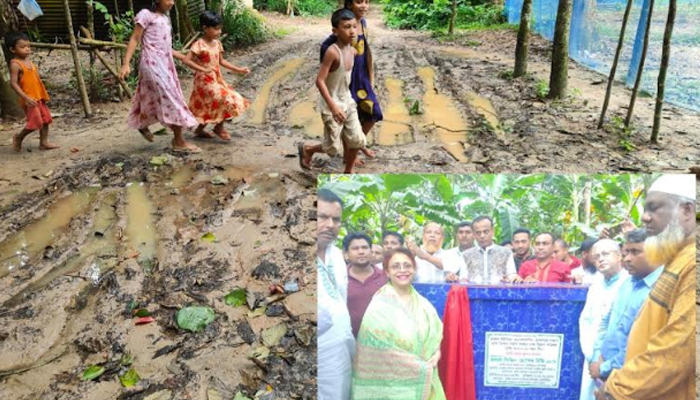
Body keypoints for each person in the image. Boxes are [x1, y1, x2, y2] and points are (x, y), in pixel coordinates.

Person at [597, 174, 696, 400]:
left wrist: (616, 389)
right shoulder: (677, 257)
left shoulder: (692, 264)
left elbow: (678, 351)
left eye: (654, 208)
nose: (644, 217)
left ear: (687, 210)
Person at [351, 248, 446, 400]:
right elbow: (376, 349)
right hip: (389, 386)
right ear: (387, 272)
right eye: (395, 266)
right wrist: (418, 366)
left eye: (407, 265)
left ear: (414, 269)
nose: (402, 270)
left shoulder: (424, 304)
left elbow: (435, 335)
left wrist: (437, 353)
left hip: (425, 380)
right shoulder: (379, 304)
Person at [119, 0, 208, 153]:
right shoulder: (146, 15)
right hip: (151, 64)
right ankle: (179, 140)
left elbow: (165, 46)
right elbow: (135, 38)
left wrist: (183, 57)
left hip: (165, 65)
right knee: (171, 98)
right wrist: (126, 64)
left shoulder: (165, 19)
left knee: (149, 95)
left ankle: (141, 123)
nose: (172, 3)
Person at [588, 229, 662, 382]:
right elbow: (607, 321)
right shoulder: (627, 284)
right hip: (605, 372)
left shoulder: (660, 291)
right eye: (626, 252)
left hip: (633, 378)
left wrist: (604, 367)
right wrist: (597, 356)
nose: (627, 258)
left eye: (635, 252)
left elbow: (641, 345)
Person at [299, 9, 365, 173]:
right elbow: (319, 81)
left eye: (354, 27)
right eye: (346, 27)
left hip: (347, 101)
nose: (352, 31)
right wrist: (334, 107)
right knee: (332, 148)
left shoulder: (352, 51)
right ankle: (308, 150)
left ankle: (348, 171)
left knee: (357, 139)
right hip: (332, 105)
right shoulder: (332, 52)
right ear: (335, 31)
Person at [321, 0, 382, 166]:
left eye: (366, 1)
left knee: (373, 113)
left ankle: (355, 147)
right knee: (346, 121)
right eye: (359, 2)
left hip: (362, 79)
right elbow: (326, 66)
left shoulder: (362, 23)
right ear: (349, 4)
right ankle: (351, 154)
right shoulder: (334, 39)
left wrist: (370, 77)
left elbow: (367, 50)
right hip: (347, 82)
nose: (364, 6)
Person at [186, 11, 251, 141]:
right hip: (204, 82)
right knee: (225, 99)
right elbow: (187, 60)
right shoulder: (199, 44)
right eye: (216, 29)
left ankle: (199, 130)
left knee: (210, 105)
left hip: (216, 79)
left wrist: (238, 69)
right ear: (205, 28)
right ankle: (218, 127)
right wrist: (202, 69)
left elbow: (222, 61)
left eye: (220, 28)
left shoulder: (217, 43)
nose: (219, 31)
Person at [578, 239, 628, 400]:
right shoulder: (596, 285)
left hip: (618, 360)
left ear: (619, 255)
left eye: (606, 254)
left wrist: (604, 360)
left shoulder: (629, 283)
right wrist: (592, 354)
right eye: (596, 256)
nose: (600, 259)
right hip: (592, 356)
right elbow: (585, 320)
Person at [317, 189, 354, 400]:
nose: (330, 225)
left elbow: (342, 298)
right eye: (322, 217)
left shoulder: (337, 255)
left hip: (342, 346)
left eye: (336, 219)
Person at [7, 32, 59, 152]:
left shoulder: (29, 62)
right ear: (12, 49)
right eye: (22, 47)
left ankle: (44, 142)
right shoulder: (15, 64)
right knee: (35, 122)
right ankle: (19, 138)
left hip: (38, 96)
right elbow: (13, 83)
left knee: (46, 120)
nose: (27, 49)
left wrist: (42, 93)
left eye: (28, 46)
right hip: (29, 99)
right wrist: (25, 98)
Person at [449, 216, 521, 283]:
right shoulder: (466, 255)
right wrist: (454, 278)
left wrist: (512, 277)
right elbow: (464, 278)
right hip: (473, 295)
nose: (482, 236)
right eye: (478, 233)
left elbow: (512, 274)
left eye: (486, 232)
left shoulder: (506, 252)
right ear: (474, 234)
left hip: (499, 294)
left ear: (493, 231)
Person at [344, 233, 387, 337]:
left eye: (365, 247)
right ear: (346, 254)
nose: (361, 252)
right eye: (355, 248)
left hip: (381, 339)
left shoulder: (385, 277)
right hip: (348, 339)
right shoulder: (339, 278)